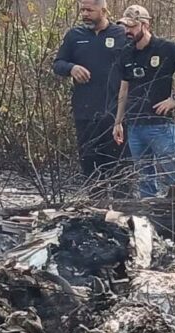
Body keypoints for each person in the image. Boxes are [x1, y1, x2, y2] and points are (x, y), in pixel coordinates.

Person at [111, 5, 175, 198]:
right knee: (145, 178)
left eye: (132, 26)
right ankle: (151, 216)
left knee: (172, 176)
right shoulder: (125, 53)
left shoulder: (167, 48)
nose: (127, 31)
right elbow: (124, 88)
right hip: (135, 124)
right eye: (125, 27)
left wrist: (174, 99)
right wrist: (118, 121)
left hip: (160, 124)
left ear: (145, 25)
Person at [52, 0, 127, 191]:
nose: (85, 14)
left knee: (120, 169)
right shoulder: (74, 36)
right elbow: (58, 63)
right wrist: (71, 68)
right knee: (90, 166)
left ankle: (122, 213)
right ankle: (96, 211)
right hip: (85, 111)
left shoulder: (120, 34)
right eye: (82, 10)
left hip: (115, 113)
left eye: (89, 10)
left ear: (103, 10)